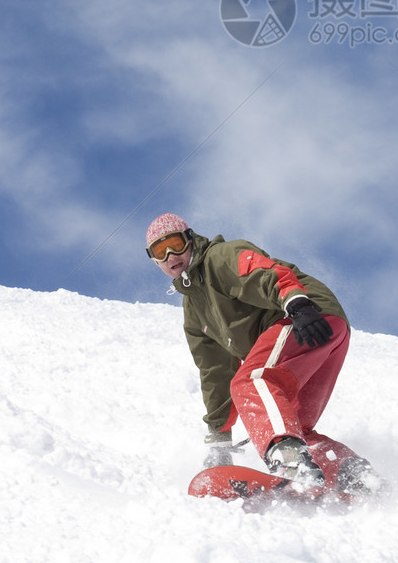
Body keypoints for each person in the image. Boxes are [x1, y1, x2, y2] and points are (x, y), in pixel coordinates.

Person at [146, 212, 378, 494]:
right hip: (326, 332)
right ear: (155, 261)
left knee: (252, 381)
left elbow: (264, 272)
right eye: (160, 250)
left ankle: (290, 461)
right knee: (292, 423)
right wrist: (220, 438)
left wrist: (297, 303)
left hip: (305, 316)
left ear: (190, 239)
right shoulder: (194, 313)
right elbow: (215, 372)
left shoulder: (219, 258)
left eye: (175, 243)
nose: (171, 254)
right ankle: (352, 475)